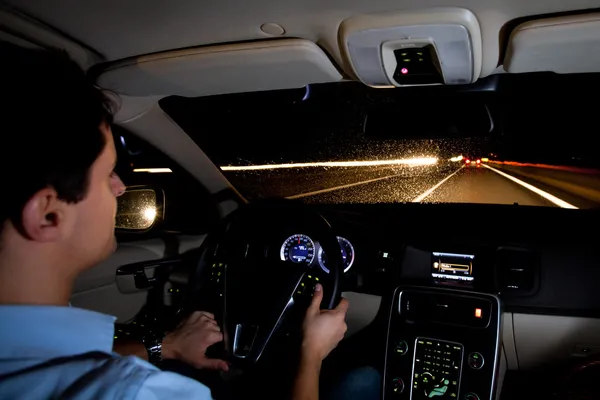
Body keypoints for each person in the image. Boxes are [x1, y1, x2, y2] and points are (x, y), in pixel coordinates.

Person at [0, 41, 362, 399]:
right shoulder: (136, 392)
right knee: (363, 381)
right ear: (48, 215)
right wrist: (310, 353)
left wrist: (165, 346)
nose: (121, 187)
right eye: (107, 173)